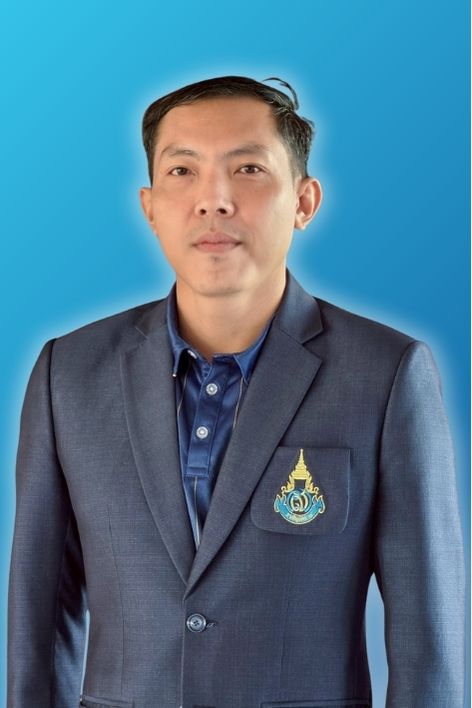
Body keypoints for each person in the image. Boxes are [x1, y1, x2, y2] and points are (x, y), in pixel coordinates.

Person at [7, 75, 465, 708]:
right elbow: (40, 618)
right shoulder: (69, 373)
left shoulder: (386, 374)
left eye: (248, 169)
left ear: (304, 201)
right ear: (149, 206)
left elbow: (427, 643)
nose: (213, 200)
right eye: (182, 171)